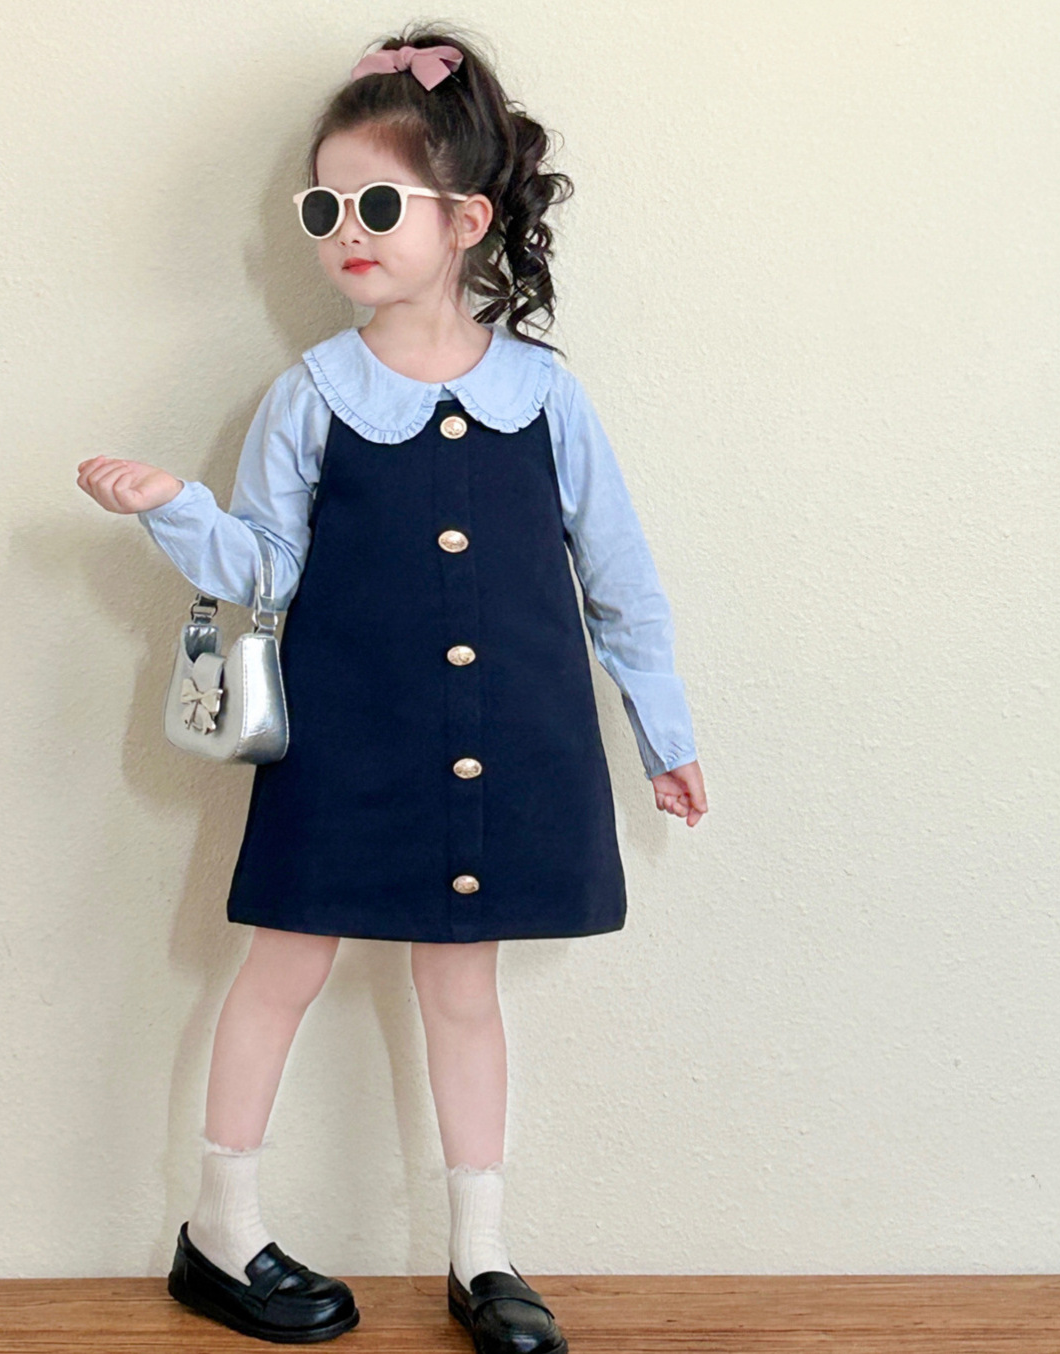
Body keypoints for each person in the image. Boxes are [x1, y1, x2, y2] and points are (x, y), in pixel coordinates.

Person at [76, 25, 708, 1352]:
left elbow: (618, 575)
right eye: (322, 210)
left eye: (374, 204)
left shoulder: (546, 396)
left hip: (506, 744)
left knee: (463, 991)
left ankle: (482, 1256)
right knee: (281, 966)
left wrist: (664, 731)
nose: (343, 233)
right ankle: (220, 1230)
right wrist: (172, 505)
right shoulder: (311, 393)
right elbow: (264, 565)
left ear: (466, 219)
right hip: (345, 747)